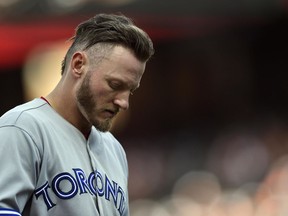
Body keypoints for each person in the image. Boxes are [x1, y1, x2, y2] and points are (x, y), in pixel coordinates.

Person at [0, 13, 154, 216]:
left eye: (130, 90)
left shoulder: (114, 150)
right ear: (78, 64)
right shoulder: (22, 128)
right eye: (115, 85)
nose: (124, 102)